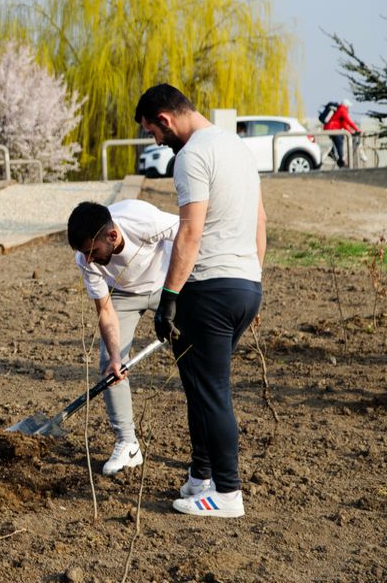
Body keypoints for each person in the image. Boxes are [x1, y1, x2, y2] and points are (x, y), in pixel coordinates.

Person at [134, 84, 265, 518]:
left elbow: (190, 232)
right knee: (199, 386)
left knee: (211, 392)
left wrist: (168, 298)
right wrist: (254, 279)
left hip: (209, 289)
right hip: (245, 286)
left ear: (165, 120)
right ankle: (201, 475)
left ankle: (227, 493)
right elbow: (261, 221)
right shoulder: (238, 149)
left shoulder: (191, 156)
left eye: (153, 132)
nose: (157, 141)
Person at [66, 200, 179, 476]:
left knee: (194, 355)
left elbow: (190, 235)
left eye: (93, 252)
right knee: (109, 363)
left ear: (112, 236)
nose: (88, 259)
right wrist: (116, 356)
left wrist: (186, 290)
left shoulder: (144, 221)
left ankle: (206, 448)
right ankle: (128, 443)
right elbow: (105, 310)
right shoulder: (85, 259)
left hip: (168, 286)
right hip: (123, 295)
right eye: (84, 253)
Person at [323, 98, 360, 168]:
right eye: (348, 106)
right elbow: (349, 121)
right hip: (332, 129)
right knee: (339, 143)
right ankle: (341, 162)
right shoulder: (342, 110)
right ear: (346, 106)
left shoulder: (340, 109)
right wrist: (357, 129)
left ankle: (332, 152)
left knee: (341, 138)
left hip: (332, 128)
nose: (349, 108)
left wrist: (350, 132)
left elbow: (344, 124)